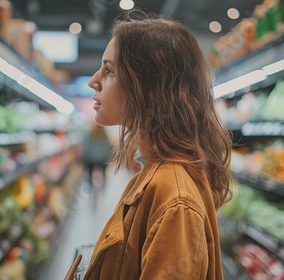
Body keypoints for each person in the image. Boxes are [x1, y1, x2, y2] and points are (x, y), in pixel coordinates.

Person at [83, 12, 232, 280]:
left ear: (148, 86)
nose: (93, 81)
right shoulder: (153, 171)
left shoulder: (175, 200)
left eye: (108, 70)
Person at [81, 124, 112, 189]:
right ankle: (103, 186)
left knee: (89, 173)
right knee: (103, 173)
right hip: (102, 160)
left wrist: (84, 157)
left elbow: (86, 146)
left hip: (91, 160)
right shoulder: (105, 135)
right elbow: (107, 148)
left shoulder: (90, 134)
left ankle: (90, 186)